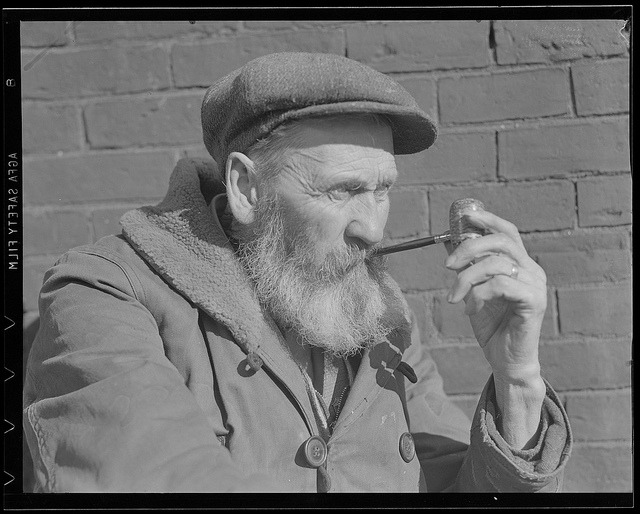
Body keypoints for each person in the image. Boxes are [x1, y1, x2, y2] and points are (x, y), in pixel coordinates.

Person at [23, 52, 571, 493]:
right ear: (246, 188)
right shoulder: (104, 293)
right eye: (342, 191)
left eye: (382, 190)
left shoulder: (382, 319)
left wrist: (517, 380)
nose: (373, 229)